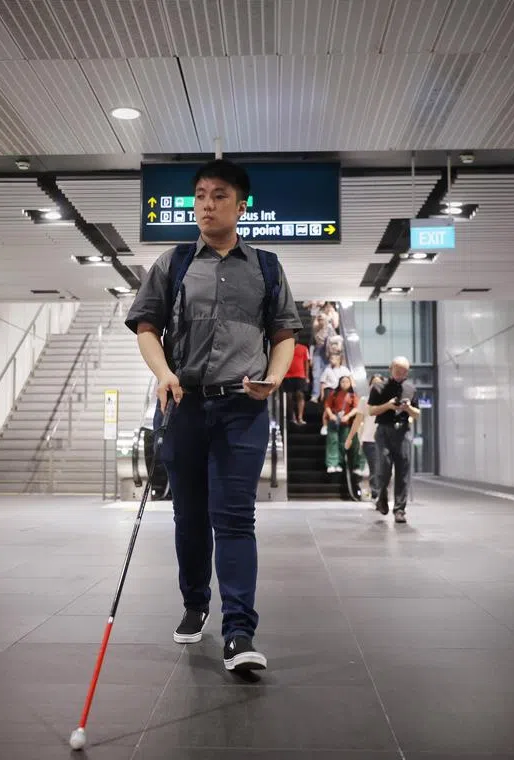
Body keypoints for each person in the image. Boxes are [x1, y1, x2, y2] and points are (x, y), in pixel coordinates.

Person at [124, 158, 302, 672]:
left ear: (241, 204)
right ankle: (194, 602)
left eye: (219, 195)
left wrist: (272, 378)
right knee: (189, 516)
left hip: (242, 409)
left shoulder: (266, 266)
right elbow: (146, 326)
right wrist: (163, 373)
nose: (206, 203)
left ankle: (240, 631)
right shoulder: (174, 262)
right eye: (199, 194)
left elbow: (285, 334)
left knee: (235, 517)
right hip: (183, 405)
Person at [368, 357, 420, 524]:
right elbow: (371, 411)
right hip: (383, 430)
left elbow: (417, 414)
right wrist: (388, 406)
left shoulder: (411, 389)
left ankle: (400, 509)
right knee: (383, 468)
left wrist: (408, 408)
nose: (401, 374)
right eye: (398, 371)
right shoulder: (378, 387)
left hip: (403, 431)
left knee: (403, 471)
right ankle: (381, 497)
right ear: (391, 369)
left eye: (404, 371)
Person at [322, 374, 367, 475]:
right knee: (332, 442)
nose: (344, 383)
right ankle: (331, 463)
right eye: (342, 381)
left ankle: (339, 463)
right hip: (334, 422)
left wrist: (348, 416)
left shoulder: (353, 395)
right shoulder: (334, 393)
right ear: (339, 383)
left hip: (347, 422)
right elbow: (327, 405)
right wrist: (331, 415)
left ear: (350, 383)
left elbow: (356, 408)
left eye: (347, 381)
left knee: (343, 443)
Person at [282, 340, 310, 426]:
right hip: (287, 375)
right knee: (289, 396)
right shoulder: (284, 348)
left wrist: (307, 376)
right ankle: (293, 417)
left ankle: (300, 417)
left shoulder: (303, 348)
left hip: (300, 375)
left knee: (300, 394)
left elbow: (307, 362)